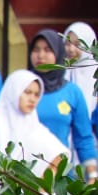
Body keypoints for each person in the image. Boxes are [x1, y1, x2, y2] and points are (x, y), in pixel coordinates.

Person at [28, 28, 98, 177]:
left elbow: (83, 138)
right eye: (36, 49)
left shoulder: (72, 93)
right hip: (26, 174)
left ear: (58, 53)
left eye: (47, 50)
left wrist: (92, 174)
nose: (40, 55)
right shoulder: (21, 87)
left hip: (61, 176)